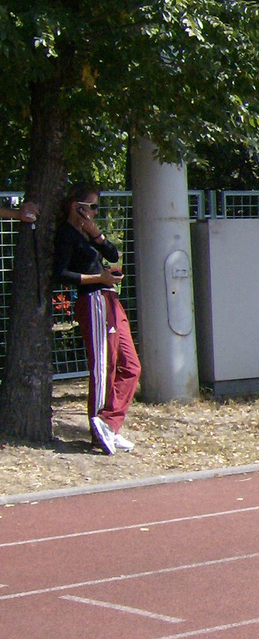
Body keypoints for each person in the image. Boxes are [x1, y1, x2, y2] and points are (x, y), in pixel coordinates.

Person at [53, 183, 140, 454]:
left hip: (110, 298)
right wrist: (99, 278)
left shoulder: (89, 234)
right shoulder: (66, 234)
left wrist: (97, 235)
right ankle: (98, 429)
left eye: (95, 207)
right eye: (90, 206)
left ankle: (110, 423)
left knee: (131, 366)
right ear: (75, 206)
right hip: (93, 299)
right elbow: (60, 274)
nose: (94, 211)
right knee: (104, 366)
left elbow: (113, 255)